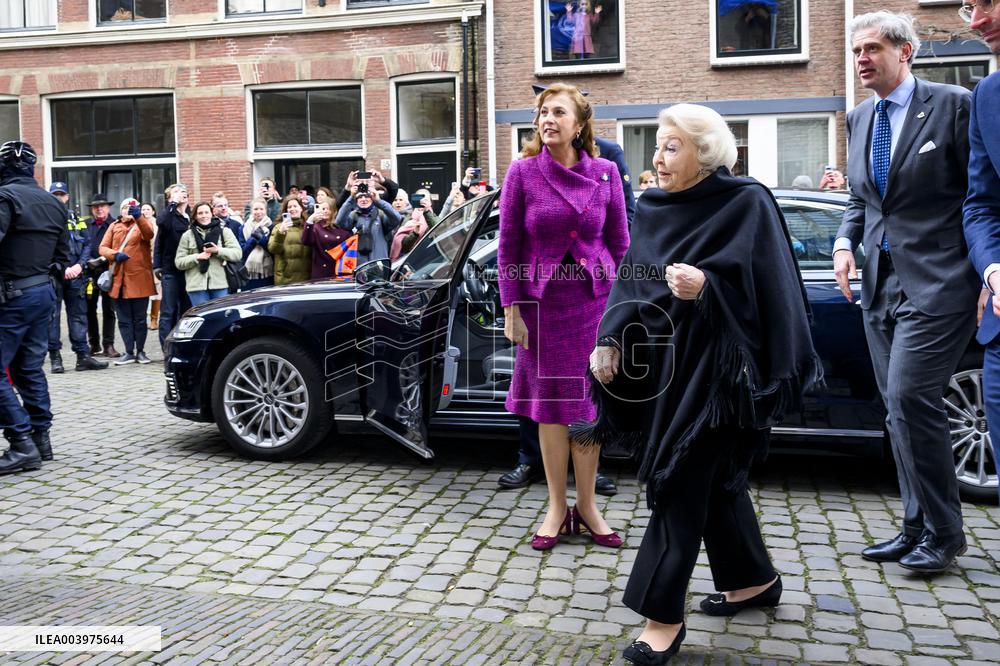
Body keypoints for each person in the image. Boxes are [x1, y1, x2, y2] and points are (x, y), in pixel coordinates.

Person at [572, 104, 820, 665]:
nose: (657, 158)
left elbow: (773, 288)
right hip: (664, 368)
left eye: (671, 146)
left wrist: (710, 287)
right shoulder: (654, 207)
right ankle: (753, 580)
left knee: (679, 479)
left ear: (705, 153)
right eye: (657, 146)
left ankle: (662, 617)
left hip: (721, 378)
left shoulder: (747, 202)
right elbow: (632, 275)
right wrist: (608, 339)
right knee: (715, 483)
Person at [833, 11, 980, 574]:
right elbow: (861, 201)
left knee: (912, 397)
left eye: (872, 48)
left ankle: (946, 532)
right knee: (896, 411)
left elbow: (980, 193)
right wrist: (846, 244)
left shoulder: (953, 105)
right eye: (856, 51)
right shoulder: (859, 117)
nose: (862, 59)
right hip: (880, 285)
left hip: (941, 282)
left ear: (906, 52)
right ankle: (915, 524)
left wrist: (983, 272)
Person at [498, 82, 629, 552]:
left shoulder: (607, 173)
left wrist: (619, 304)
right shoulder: (522, 173)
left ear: (579, 124)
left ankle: (588, 506)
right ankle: (557, 506)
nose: (547, 119)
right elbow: (508, 247)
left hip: (594, 303)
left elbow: (620, 243)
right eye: (541, 112)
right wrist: (513, 308)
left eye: (557, 112)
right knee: (551, 410)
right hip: (543, 306)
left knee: (587, 406)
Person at [0, 141, 71, 473]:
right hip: (42, 293)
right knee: (29, 368)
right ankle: (42, 441)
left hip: (12, 295)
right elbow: (63, 258)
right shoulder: (55, 205)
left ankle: (22, 442)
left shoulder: (5, 198)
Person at [961, 0, 1000, 504]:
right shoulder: (986, 97)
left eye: (988, 1)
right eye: (970, 5)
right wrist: (992, 269)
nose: (973, 20)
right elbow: (981, 205)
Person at [46, 182, 107, 373]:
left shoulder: (75, 217)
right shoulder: (44, 217)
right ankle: (56, 358)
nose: (58, 198)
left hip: (76, 274)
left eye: (61, 194)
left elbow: (87, 243)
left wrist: (79, 265)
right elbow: (42, 247)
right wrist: (62, 269)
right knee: (52, 318)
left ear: (67, 196)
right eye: (54, 194)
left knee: (79, 316)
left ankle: (83, 357)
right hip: (55, 275)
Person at [98, 199, 156, 365]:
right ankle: (129, 351)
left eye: (131, 208)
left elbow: (149, 234)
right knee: (124, 319)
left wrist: (139, 217)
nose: (127, 210)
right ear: (120, 210)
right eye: (124, 207)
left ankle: (141, 351)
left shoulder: (142, 224)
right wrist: (114, 255)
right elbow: (102, 247)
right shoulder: (114, 226)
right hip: (119, 280)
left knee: (139, 319)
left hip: (139, 280)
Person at [175, 202, 242, 305]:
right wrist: (197, 257)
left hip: (220, 285)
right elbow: (179, 262)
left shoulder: (224, 232)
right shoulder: (187, 235)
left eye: (206, 212)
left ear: (212, 214)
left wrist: (218, 251)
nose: (204, 216)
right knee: (202, 319)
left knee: (220, 318)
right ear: (195, 216)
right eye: (200, 213)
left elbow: (237, 254)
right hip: (196, 287)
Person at [154, 184, 192, 347]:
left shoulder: (191, 216)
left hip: (190, 270)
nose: (181, 194)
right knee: (168, 311)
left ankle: (182, 344)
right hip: (170, 270)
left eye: (183, 192)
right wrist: (157, 266)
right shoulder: (168, 216)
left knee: (186, 310)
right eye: (175, 193)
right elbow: (160, 229)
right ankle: (166, 347)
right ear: (170, 199)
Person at [83, 193, 118, 358]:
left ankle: (109, 345)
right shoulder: (86, 225)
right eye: (95, 207)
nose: (99, 209)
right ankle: (94, 344)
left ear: (108, 207)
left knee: (109, 309)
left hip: (109, 271)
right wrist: (87, 260)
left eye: (102, 206)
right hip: (89, 273)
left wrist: (104, 258)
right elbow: (82, 245)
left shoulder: (115, 224)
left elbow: (117, 247)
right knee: (89, 309)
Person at [335, 183, 401, 266]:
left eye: (367, 196)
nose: (363, 199)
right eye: (360, 197)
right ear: (356, 200)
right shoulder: (353, 216)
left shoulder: (380, 216)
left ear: (372, 199)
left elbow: (397, 218)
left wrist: (379, 201)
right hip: (359, 268)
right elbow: (339, 221)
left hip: (379, 266)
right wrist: (351, 198)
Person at [268, 195, 313, 285]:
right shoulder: (278, 227)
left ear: (301, 208)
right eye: (289, 207)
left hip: (306, 279)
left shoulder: (308, 227)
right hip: (285, 279)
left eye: (295, 206)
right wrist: (281, 233)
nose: (292, 209)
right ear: (285, 211)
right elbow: (273, 249)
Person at [301, 200, 349, 279]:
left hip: (338, 270)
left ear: (334, 211)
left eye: (328, 209)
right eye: (323, 209)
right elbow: (306, 241)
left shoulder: (341, 228)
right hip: (321, 271)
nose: (325, 211)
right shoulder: (316, 227)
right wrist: (310, 221)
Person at [241, 198, 274, 290]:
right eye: (255, 209)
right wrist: (253, 238)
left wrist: (262, 239)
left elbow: (272, 250)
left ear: (266, 211)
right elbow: (243, 252)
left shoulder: (272, 226)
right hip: (249, 274)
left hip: (267, 273)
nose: (258, 211)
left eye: (261, 209)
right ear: (251, 211)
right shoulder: (243, 228)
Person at [142, 203, 161, 330]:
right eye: (143, 209)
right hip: (141, 262)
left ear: (153, 211)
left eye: (148, 209)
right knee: (141, 292)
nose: (145, 211)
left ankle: (154, 319)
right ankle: (141, 318)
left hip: (154, 261)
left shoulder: (158, 225)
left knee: (156, 291)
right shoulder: (135, 225)